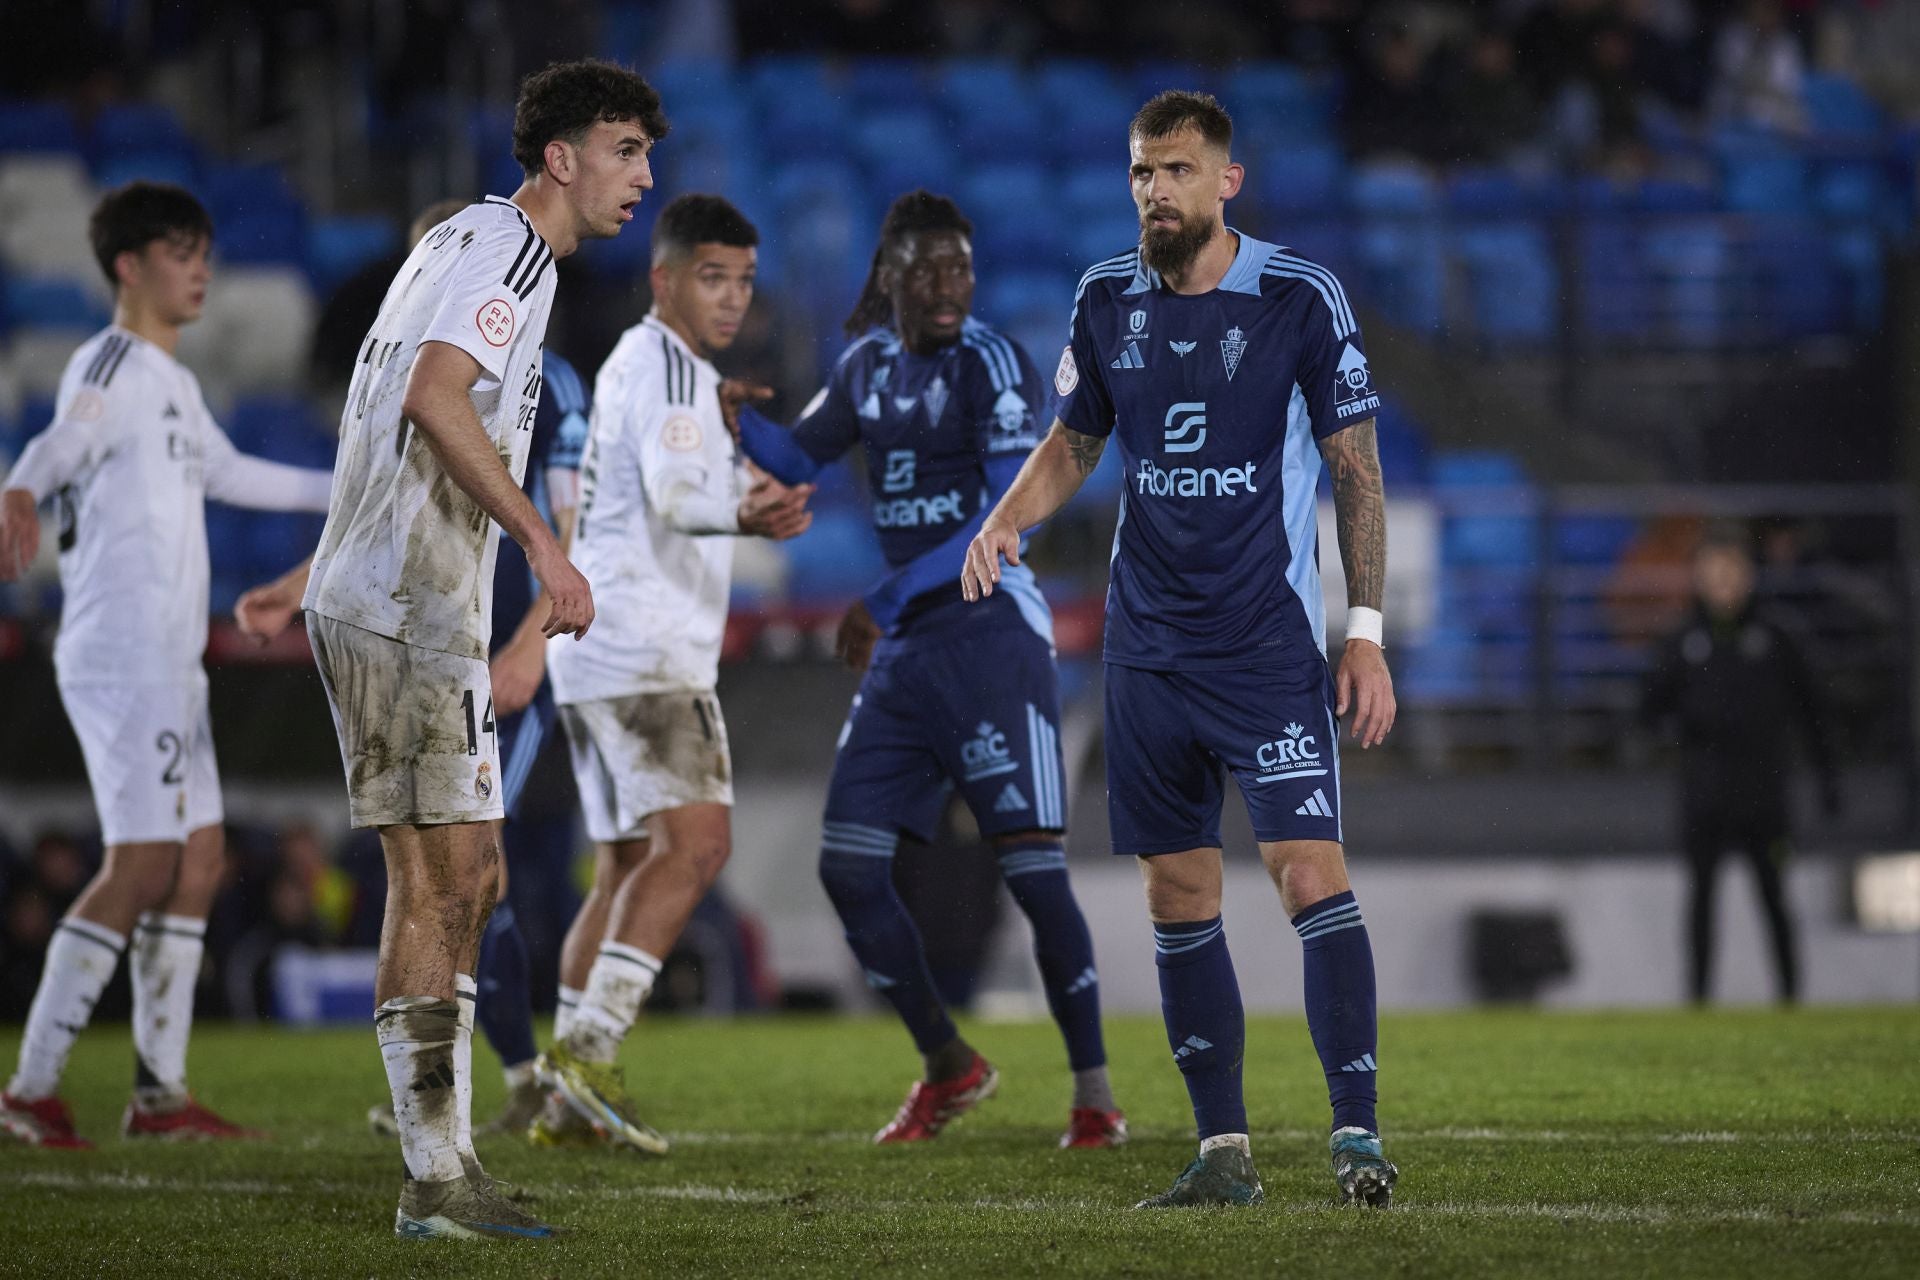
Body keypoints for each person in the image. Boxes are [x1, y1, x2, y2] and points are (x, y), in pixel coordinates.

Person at [962, 92, 1398, 1208]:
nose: (1156, 190)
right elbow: (1075, 439)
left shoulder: (1301, 296)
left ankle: (1356, 1134)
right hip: (1146, 652)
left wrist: (1364, 632)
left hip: (1264, 650)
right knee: (1176, 893)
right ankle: (1224, 1153)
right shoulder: (1106, 297)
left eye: (1177, 171)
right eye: (1142, 172)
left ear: (1226, 183)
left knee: (1309, 873)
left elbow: (1356, 472)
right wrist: (1008, 517)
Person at [298, 59, 664, 1241]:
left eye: (647, 155)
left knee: (476, 873)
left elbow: (389, 401)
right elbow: (433, 394)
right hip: (408, 605)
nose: (642, 178)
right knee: (445, 879)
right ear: (559, 158)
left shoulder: (462, 240)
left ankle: (444, 1159)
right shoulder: (506, 249)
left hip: (399, 595)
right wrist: (546, 549)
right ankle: (436, 1181)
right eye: (622, 151)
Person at [729, 189, 1125, 1149]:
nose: (951, 287)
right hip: (911, 653)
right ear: (891, 278)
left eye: (963, 270)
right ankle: (950, 1064)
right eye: (931, 272)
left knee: (1033, 876)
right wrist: (729, 412)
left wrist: (883, 599)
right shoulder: (866, 364)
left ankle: (1095, 1096)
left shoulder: (993, 362)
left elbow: (1004, 524)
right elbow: (795, 453)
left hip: (992, 641)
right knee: (849, 869)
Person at [234, 198, 593, 1141]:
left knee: (467, 875)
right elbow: (398, 476)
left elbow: (579, 509)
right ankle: (459, 1122)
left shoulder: (547, 376)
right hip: (429, 621)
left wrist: (531, 641)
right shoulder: (480, 304)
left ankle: (454, 1116)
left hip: (491, 630)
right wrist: (543, 571)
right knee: (456, 876)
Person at [0, 182, 336, 1148]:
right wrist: (21, 490)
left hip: (170, 662)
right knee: (144, 861)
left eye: (204, 251)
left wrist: (348, 479)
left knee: (197, 863)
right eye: (181, 252)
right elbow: (59, 439)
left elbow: (228, 473)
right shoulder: (108, 362)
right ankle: (27, 1091)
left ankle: (160, 1099)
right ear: (128, 266)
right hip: (123, 651)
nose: (201, 269)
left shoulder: (177, 384)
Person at [530, 193, 814, 1152]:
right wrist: (748, 512)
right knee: (697, 848)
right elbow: (678, 492)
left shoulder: (671, 370)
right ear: (664, 280)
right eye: (711, 277)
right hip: (646, 650)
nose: (732, 298)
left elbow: (685, 477)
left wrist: (743, 481)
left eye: (742, 280)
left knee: (619, 869)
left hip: (595, 653)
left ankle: (565, 1098)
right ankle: (591, 1056)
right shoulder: (661, 362)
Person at [1641, 527, 1836, 1005]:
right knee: (1702, 900)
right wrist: (1677, 730)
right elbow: (1647, 712)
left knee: (1774, 898)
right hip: (1705, 794)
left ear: (1748, 577)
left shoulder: (1775, 637)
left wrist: (1828, 780)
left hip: (1765, 793)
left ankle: (1790, 998)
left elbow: (1812, 713)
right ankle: (1699, 1000)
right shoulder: (1683, 640)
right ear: (1699, 579)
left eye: (1733, 572)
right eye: (1714, 573)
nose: (1724, 584)